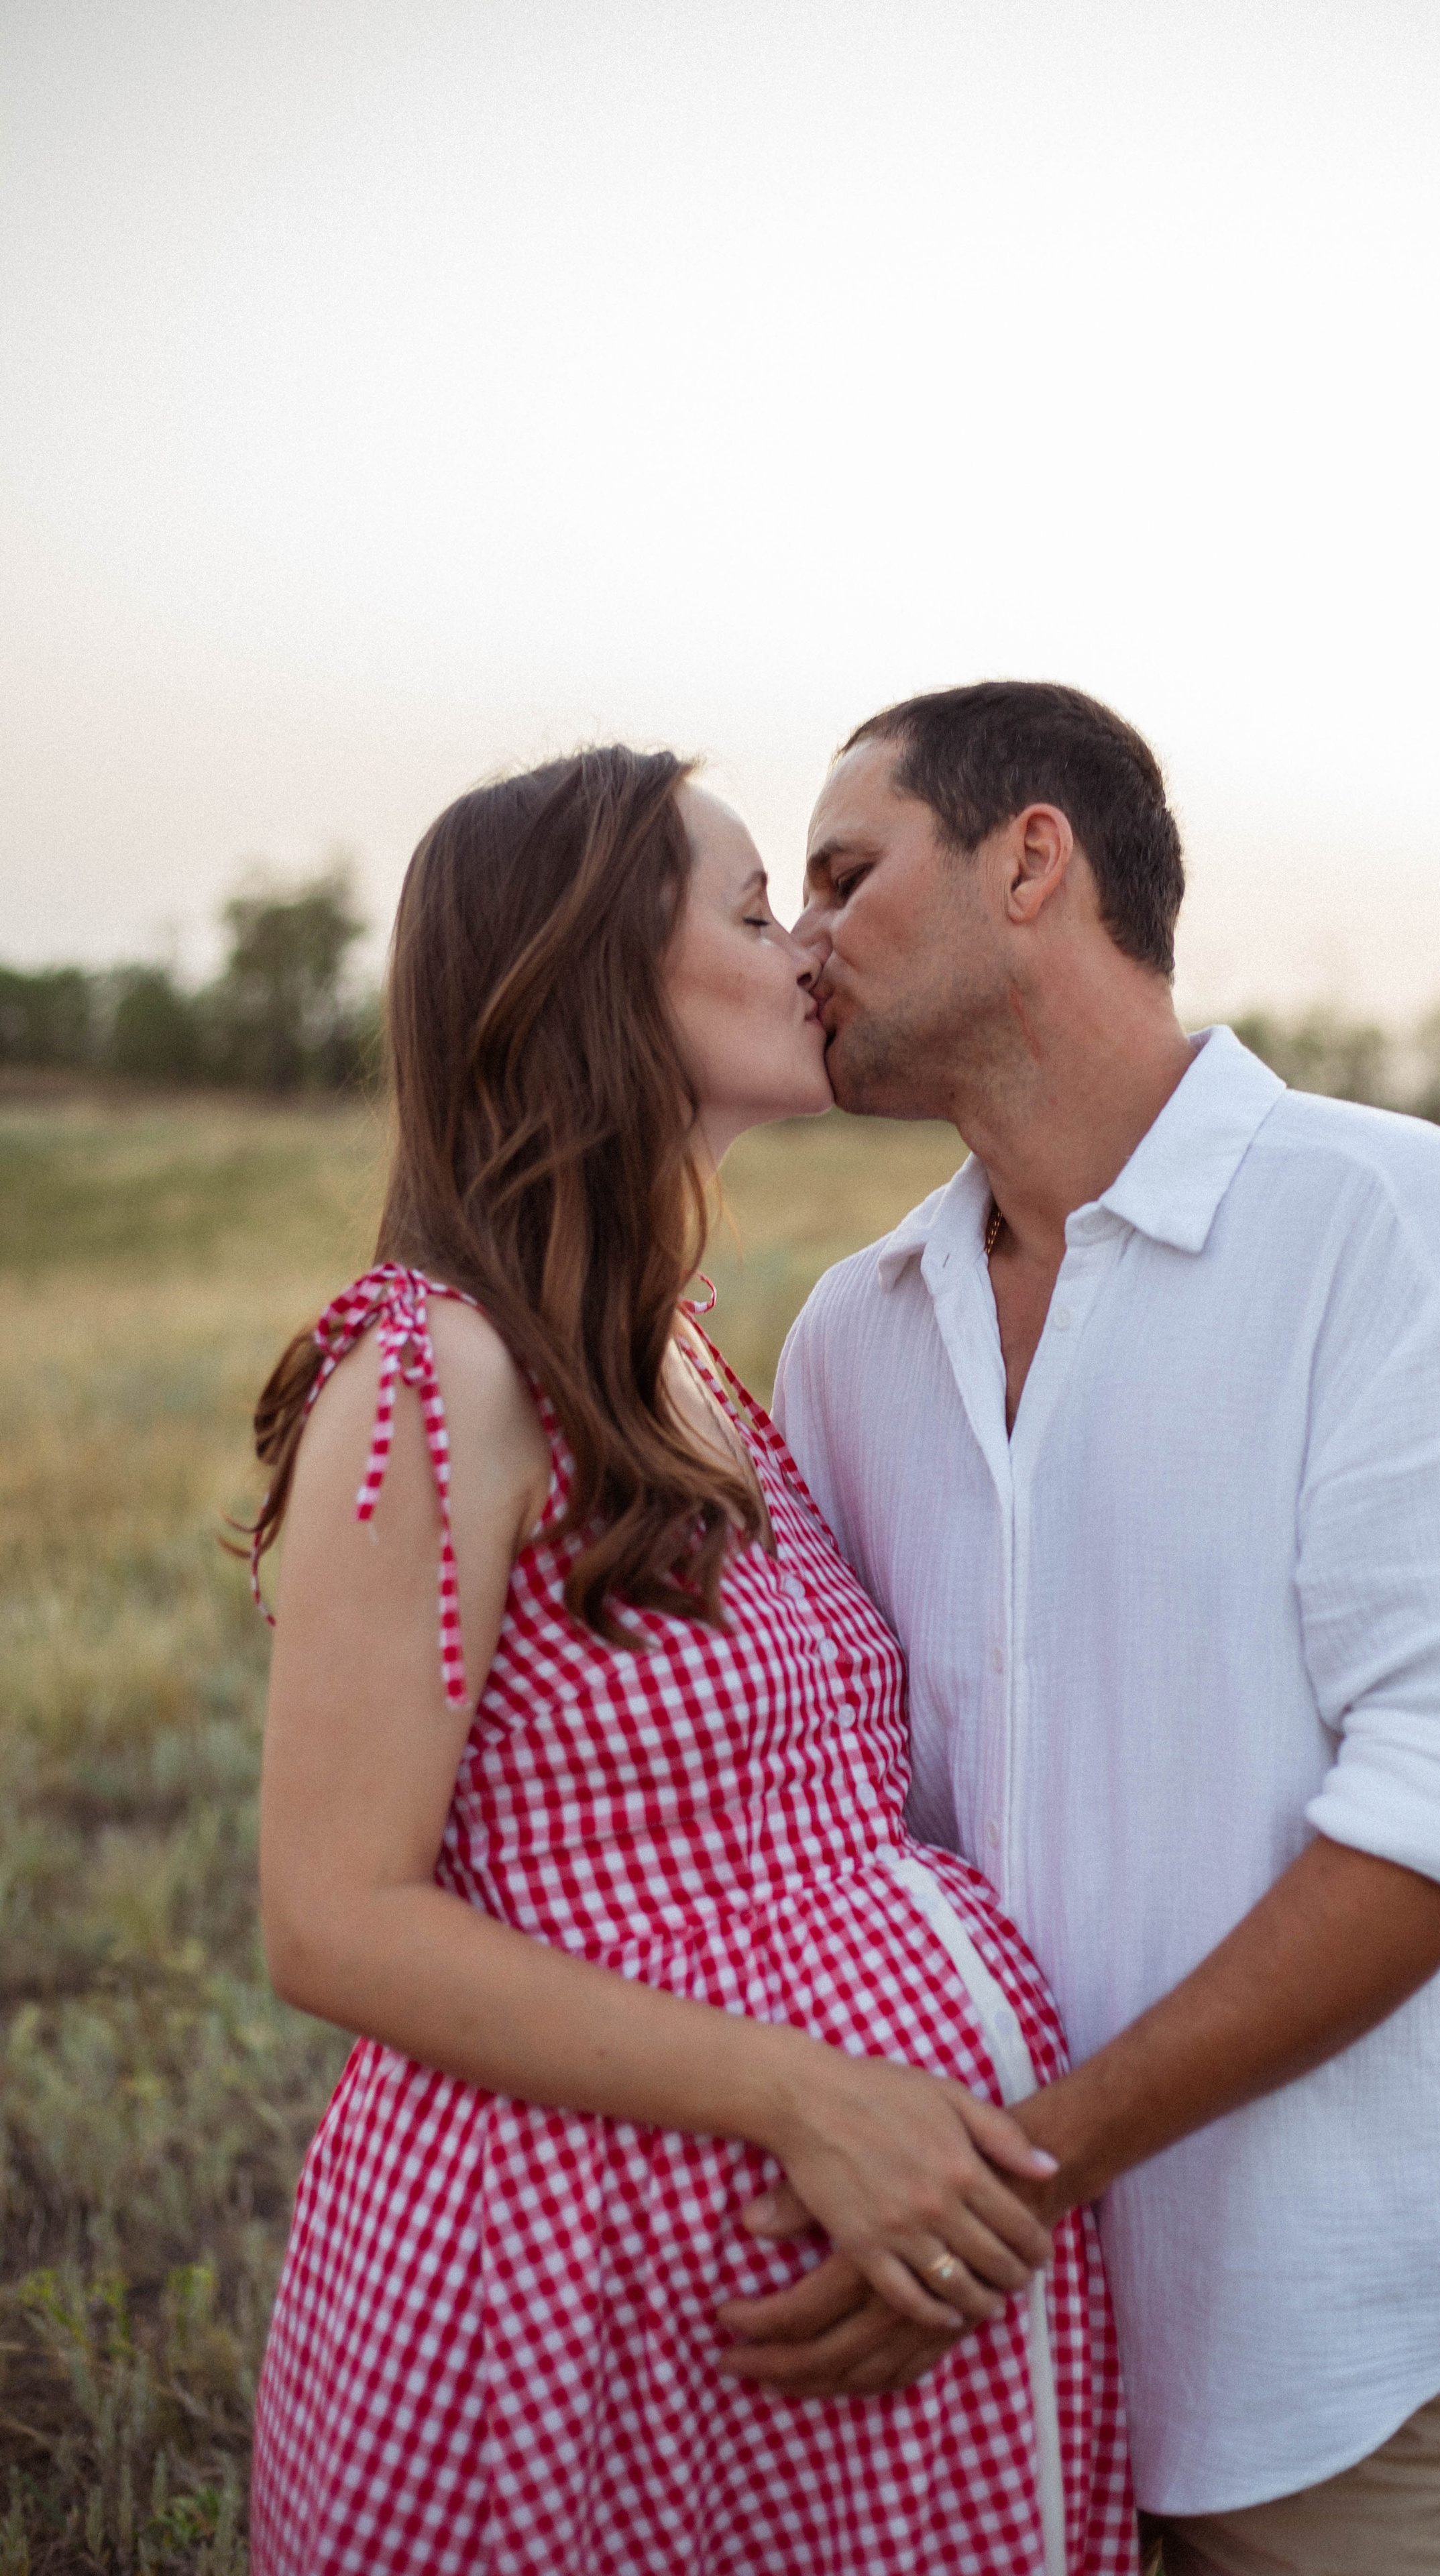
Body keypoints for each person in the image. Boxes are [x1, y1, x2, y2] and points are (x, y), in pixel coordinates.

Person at [717, 682, 1440, 2576]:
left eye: (845, 875)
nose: (795, 945)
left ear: (1031, 858)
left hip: (1313, 2338)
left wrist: (1016, 2178)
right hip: (958, 2358)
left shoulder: (1394, 1232)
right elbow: (843, 1814)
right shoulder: (853, 1339)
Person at [244, 747, 1137, 2575]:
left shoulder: (699, 1364)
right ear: (585, 983)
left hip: (778, 2308)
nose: (813, 944)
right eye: (751, 912)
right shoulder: (441, 1371)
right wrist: (816, 2097)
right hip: (575, 2287)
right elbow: (330, 1917)